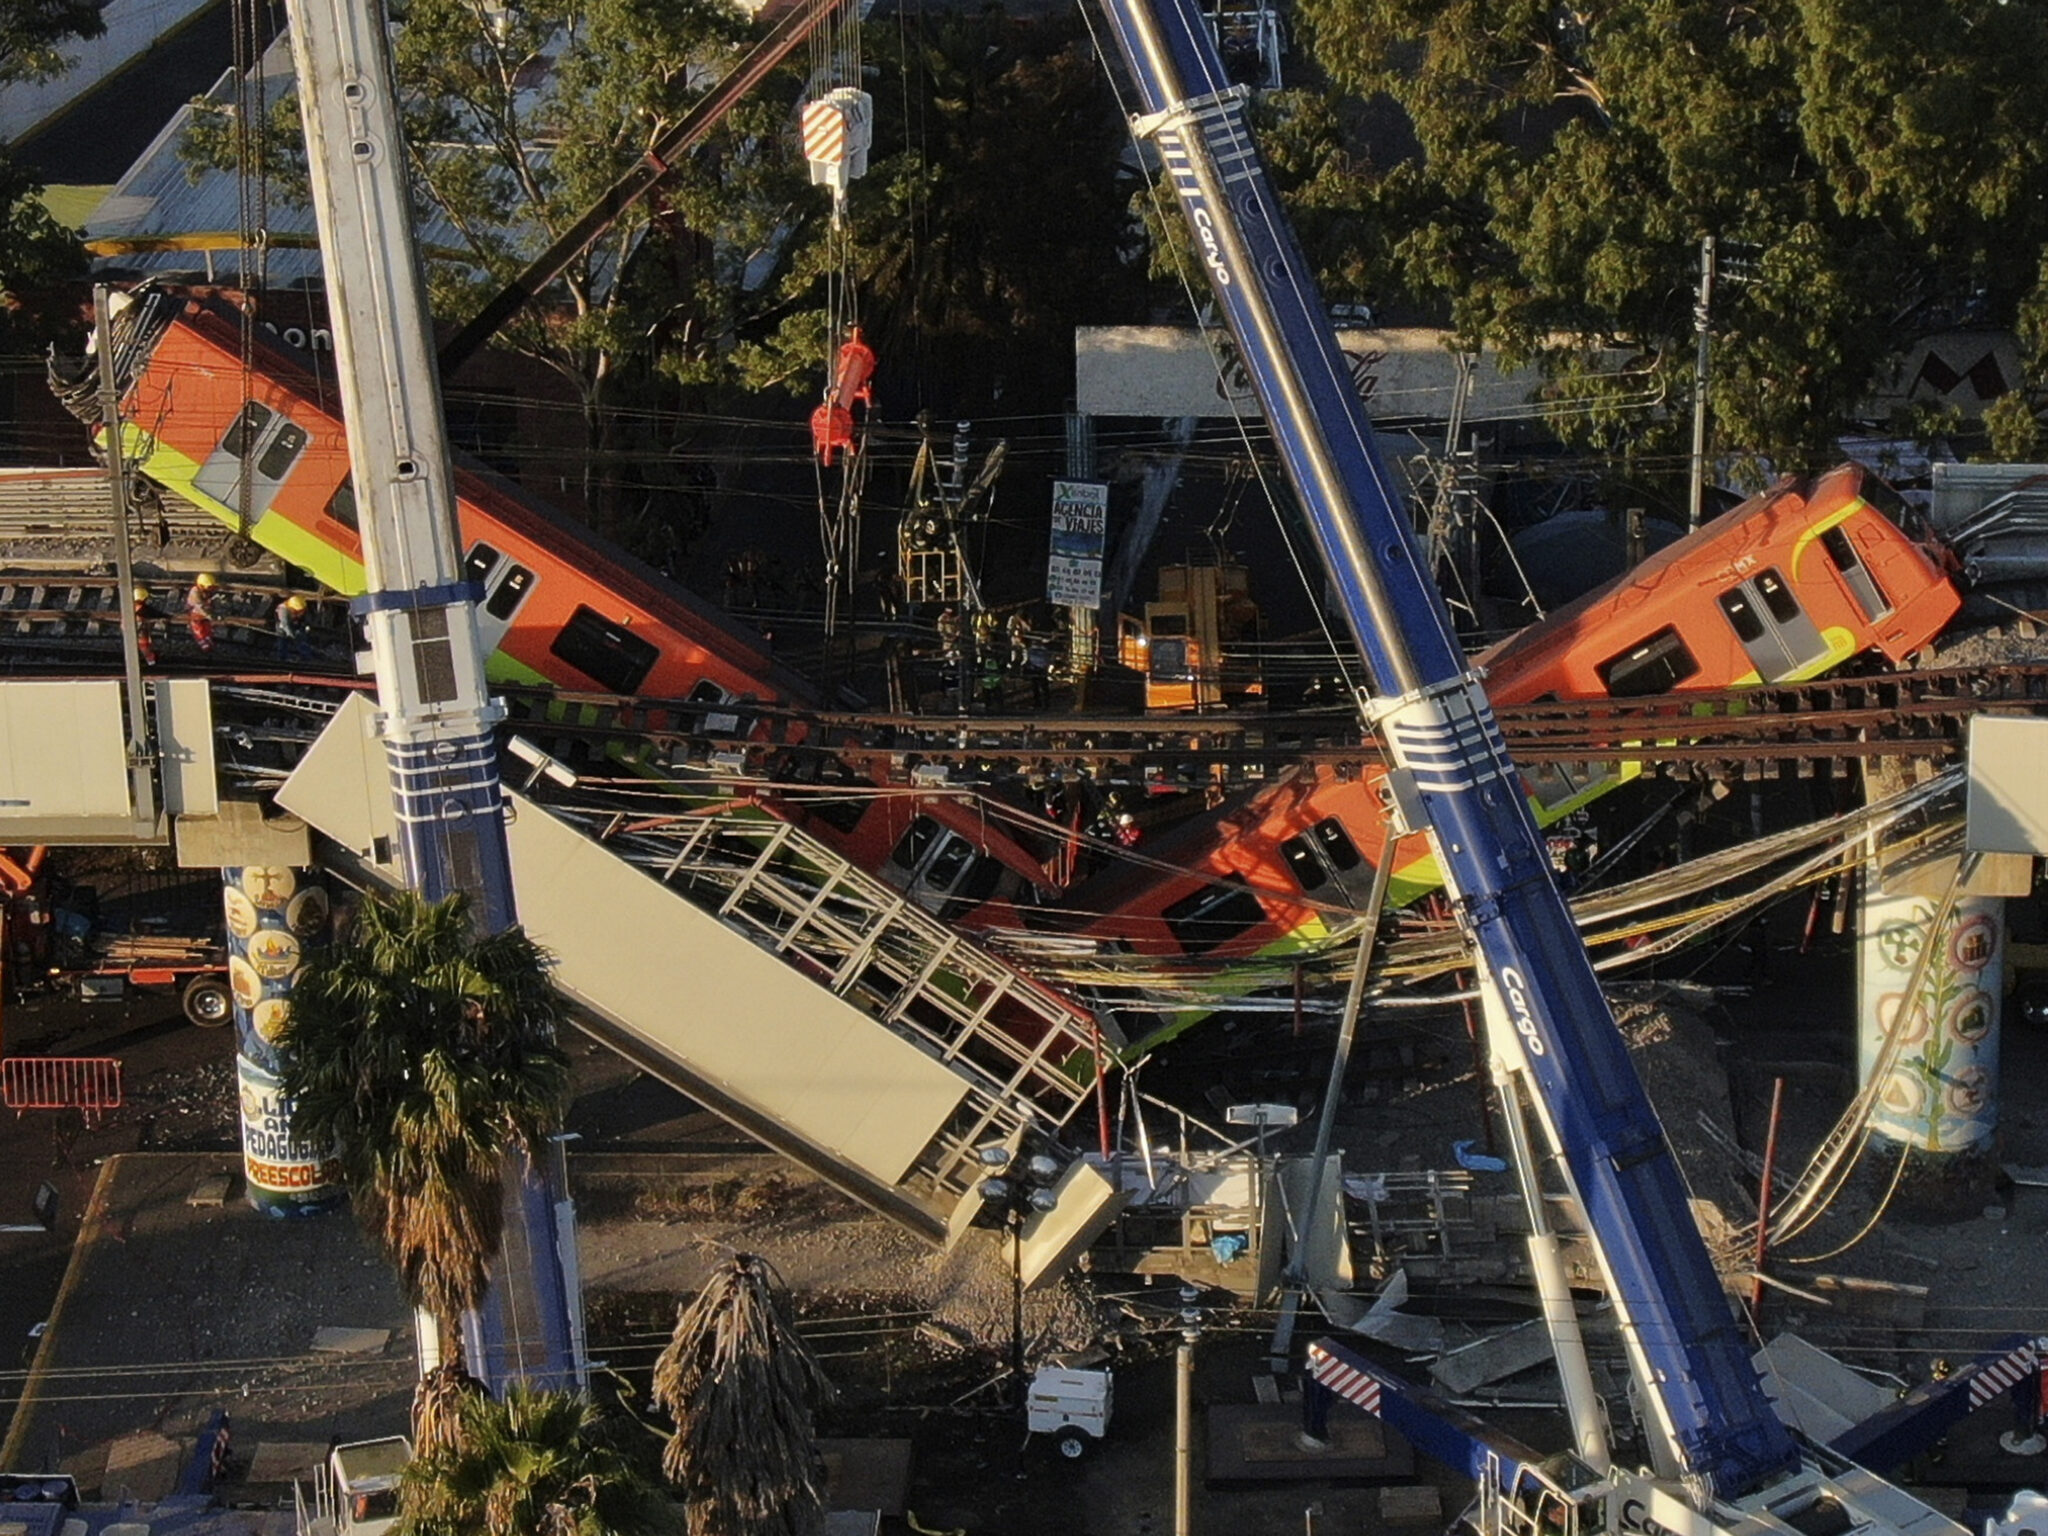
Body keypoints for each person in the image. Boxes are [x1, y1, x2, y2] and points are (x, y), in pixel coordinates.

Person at [274, 593, 313, 663]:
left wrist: (307, 626)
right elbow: (285, 624)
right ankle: (282, 657)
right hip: (283, 626)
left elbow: (305, 618)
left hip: (294, 623)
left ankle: (305, 655)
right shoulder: (283, 610)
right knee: (282, 640)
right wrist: (291, 635)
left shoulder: (300, 606)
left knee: (302, 637)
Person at [185, 572, 218, 653]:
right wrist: (208, 615)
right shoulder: (194, 592)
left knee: (207, 628)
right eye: (209, 587)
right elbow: (199, 607)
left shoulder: (205, 591)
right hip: (195, 613)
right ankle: (203, 644)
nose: (211, 588)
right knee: (198, 629)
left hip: (204, 613)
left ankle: (208, 641)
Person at [130, 585, 159, 666]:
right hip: (139, 633)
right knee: (144, 645)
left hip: (137, 632)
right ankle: (151, 661)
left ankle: (150, 660)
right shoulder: (139, 609)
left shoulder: (133, 607)